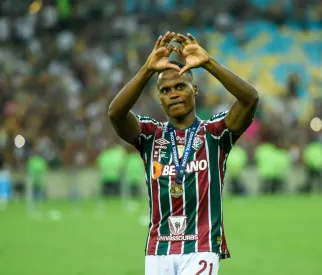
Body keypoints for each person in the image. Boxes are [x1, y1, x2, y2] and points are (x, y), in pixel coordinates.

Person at [108, 31, 258, 275]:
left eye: (180, 86)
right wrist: (147, 69)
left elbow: (250, 99)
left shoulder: (215, 133)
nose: (173, 93)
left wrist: (208, 62)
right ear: (160, 98)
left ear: (194, 90)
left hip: (202, 246)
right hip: (158, 249)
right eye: (165, 91)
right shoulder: (150, 135)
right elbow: (115, 114)